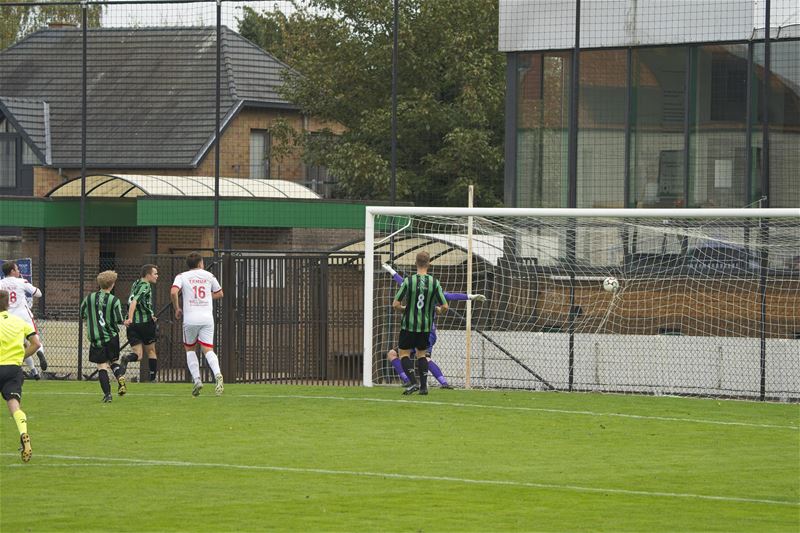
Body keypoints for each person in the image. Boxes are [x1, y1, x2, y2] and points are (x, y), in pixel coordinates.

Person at [383, 263, 486, 389]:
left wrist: (471, 297)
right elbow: (450, 297)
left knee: (422, 357)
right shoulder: (426, 288)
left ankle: (442, 383)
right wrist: (391, 271)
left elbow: (451, 296)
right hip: (417, 329)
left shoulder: (424, 289)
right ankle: (408, 381)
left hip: (426, 331)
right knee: (393, 354)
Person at [392, 251, 448, 396]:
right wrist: (438, 310)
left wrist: (404, 309)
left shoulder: (408, 281)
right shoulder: (434, 282)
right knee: (421, 355)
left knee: (403, 354)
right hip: (425, 327)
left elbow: (395, 304)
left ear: (415, 263)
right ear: (429, 264)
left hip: (408, 325)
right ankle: (423, 387)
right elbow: (445, 306)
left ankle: (413, 382)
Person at [170, 252, 224, 397]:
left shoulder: (182, 276)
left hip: (190, 318)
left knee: (190, 349)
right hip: (207, 318)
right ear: (200, 263)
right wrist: (206, 296)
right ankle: (218, 374)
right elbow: (220, 293)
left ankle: (197, 379)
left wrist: (177, 308)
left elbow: (174, 292)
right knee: (208, 349)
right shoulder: (209, 276)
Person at [0, 289, 41, 462]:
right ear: (8, 304)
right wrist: (20, 357)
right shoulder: (19, 322)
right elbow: (36, 344)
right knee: (14, 405)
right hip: (13, 368)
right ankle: (23, 433)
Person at [80, 271, 127, 402]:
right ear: (112, 284)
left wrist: (90, 320)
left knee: (102, 366)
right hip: (112, 337)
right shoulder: (114, 300)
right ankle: (120, 377)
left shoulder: (89, 298)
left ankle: (107, 395)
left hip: (97, 339)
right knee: (113, 362)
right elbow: (119, 319)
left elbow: (82, 313)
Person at [0, 262, 47, 379]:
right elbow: (38, 294)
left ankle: (33, 371)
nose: (19, 271)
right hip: (23, 315)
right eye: (17, 269)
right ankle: (40, 352)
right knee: (35, 339)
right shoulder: (21, 282)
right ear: (12, 271)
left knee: (21, 345)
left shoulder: (0, 283)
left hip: (9, 318)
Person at [120, 264, 160, 381]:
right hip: (144, 323)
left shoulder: (136, 283)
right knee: (151, 351)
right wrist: (130, 318)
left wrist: (149, 313)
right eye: (155, 274)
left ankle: (127, 357)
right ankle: (152, 379)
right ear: (148, 275)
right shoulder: (145, 285)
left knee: (138, 355)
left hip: (132, 326)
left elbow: (141, 303)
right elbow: (134, 301)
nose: (157, 276)